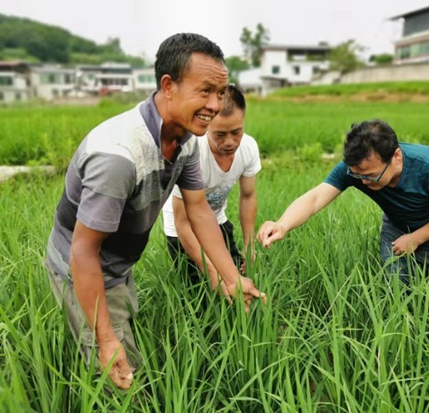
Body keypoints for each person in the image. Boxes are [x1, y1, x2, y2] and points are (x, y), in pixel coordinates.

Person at [44, 33, 266, 390]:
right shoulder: (117, 157)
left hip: (117, 261)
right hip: (82, 267)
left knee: (122, 329)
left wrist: (230, 276)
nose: (214, 103)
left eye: (221, 92)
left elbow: (199, 211)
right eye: (205, 90)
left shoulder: (186, 139)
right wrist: (105, 341)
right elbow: (83, 251)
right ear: (168, 85)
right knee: (121, 373)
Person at [257, 119, 429, 283]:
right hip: (397, 228)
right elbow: (315, 198)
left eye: (372, 175)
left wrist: (416, 238)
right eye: (358, 175)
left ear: (396, 157)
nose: (364, 181)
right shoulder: (357, 169)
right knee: (394, 287)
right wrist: (282, 224)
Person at [162, 85, 261, 293]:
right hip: (183, 230)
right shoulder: (191, 153)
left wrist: (249, 244)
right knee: (200, 294)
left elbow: (248, 197)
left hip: (216, 221)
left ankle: (246, 324)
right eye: (220, 134)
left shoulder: (249, 148)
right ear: (206, 125)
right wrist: (215, 275)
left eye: (236, 132)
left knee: (240, 282)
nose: (230, 142)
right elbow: (183, 222)